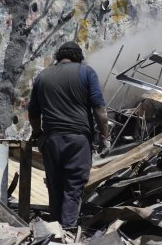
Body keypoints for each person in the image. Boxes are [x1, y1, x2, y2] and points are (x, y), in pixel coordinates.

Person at [27, 41, 110, 230]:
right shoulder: (86, 72)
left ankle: (56, 230)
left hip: (51, 140)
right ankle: (67, 232)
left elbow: (33, 114)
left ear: (59, 55)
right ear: (78, 56)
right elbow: (99, 109)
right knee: (73, 188)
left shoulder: (42, 76)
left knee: (55, 187)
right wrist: (105, 137)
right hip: (78, 141)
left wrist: (38, 134)